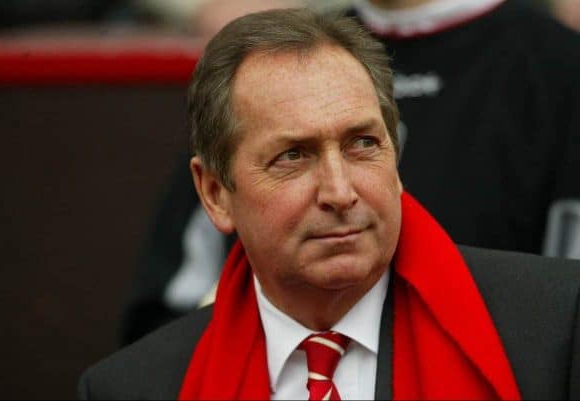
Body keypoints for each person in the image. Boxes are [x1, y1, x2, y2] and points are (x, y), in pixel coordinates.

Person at [79, 9, 580, 400]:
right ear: (214, 194)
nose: (340, 193)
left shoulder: (555, 330)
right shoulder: (133, 388)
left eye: (363, 144)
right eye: (293, 156)